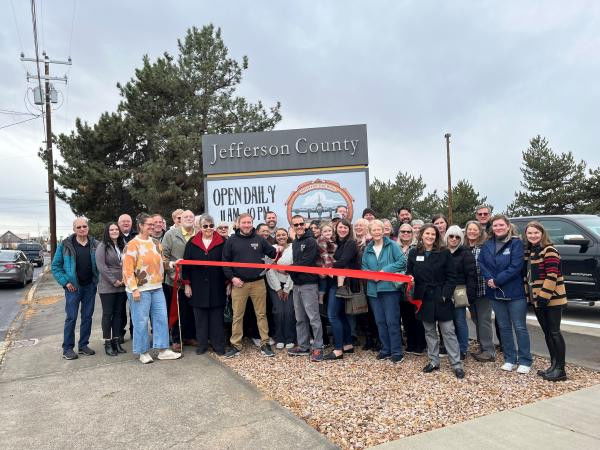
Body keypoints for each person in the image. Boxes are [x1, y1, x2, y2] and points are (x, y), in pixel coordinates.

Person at [406, 224, 464, 379]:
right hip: (423, 298)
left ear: (437, 237)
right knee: (429, 331)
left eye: (433, 234)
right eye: (427, 233)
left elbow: (452, 277)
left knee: (448, 331)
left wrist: (445, 294)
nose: (430, 236)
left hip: (441, 296)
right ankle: (434, 361)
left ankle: (456, 364)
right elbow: (409, 272)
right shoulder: (414, 253)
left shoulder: (444, 253)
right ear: (421, 235)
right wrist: (410, 278)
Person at [122, 213, 181, 364]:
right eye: (148, 224)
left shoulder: (156, 243)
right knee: (140, 321)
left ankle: (162, 350)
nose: (152, 227)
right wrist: (134, 289)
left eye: (153, 224)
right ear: (140, 226)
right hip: (139, 289)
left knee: (161, 318)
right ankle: (142, 351)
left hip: (157, 287)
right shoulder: (132, 245)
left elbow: (161, 262)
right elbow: (127, 270)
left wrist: (172, 264)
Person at [479, 214, 532, 374]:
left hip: (514, 292)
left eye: (501, 225)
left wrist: (497, 280)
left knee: (520, 327)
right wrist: (489, 278)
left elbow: (516, 266)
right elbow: (481, 262)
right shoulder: (487, 244)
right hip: (494, 292)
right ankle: (510, 358)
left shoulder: (516, 243)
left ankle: (525, 360)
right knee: (504, 327)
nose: (498, 228)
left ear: (508, 226)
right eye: (495, 226)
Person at [222, 213, 277, 358]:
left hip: (258, 283)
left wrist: (278, 249)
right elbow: (225, 262)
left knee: (261, 315)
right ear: (238, 224)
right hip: (239, 284)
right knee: (237, 316)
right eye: (244, 222)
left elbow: (272, 253)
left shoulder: (259, 239)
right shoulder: (231, 240)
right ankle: (236, 345)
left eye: (249, 222)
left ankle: (265, 343)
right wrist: (232, 278)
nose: (247, 225)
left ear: (252, 223)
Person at [524, 221, 567, 381]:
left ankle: (561, 369)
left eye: (536, 232)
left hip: (552, 300)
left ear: (542, 234)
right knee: (547, 333)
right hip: (538, 300)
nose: (533, 235)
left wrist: (544, 296)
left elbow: (552, 275)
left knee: (555, 332)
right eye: (530, 233)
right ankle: (553, 365)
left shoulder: (549, 250)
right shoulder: (531, 252)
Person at [52, 217, 99, 360]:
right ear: (74, 229)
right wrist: (66, 282)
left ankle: (83, 345)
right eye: (78, 227)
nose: (82, 229)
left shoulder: (95, 244)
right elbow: (55, 266)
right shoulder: (65, 245)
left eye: (84, 226)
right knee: (71, 318)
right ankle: (67, 348)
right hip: (73, 289)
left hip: (90, 287)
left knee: (87, 317)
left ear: (88, 228)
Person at [362, 220, 407, 363]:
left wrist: (384, 271)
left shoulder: (392, 245)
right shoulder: (367, 249)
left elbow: (402, 261)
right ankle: (386, 349)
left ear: (383, 231)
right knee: (380, 321)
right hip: (373, 290)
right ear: (370, 232)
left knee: (392, 321)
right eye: (373, 230)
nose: (376, 232)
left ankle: (396, 351)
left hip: (389, 289)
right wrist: (371, 275)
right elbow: (363, 268)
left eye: (378, 229)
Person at [182, 214, 227, 356]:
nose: (208, 229)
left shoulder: (223, 241)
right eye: (205, 226)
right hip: (198, 286)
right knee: (200, 319)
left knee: (217, 319)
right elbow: (186, 266)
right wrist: (187, 284)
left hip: (217, 286)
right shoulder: (192, 242)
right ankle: (202, 345)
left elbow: (227, 265)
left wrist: (229, 284)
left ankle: (218, 345)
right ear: (199, 227)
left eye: (211, 225)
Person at [287, 215, 324, 362]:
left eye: (301, 224)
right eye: (296, 225)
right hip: (297, 285)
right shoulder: (295, 242)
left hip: (309, 285)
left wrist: (286, 269)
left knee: (313, 318)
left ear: (305, 225)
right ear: (293, 227)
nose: (299, 226)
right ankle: (303, 346)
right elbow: (297, 263)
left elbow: (305, 262)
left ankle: (318, 347)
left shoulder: (310, 241)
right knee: (300, 318)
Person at [162, 209, 198, 352]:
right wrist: (171, 273)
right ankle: (176, 339)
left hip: (194, 280)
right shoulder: (171, 234)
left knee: (191, 310)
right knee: (176, 310)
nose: (189, 218)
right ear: (180, 220)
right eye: (185, 217)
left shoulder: (199, 233)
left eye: (191, 216)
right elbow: (163, 255)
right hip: (175, 280)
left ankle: (189, 336)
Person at [324, 219, 357, 360]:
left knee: (332, 315)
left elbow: (343, 261)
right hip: (338, 282)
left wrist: (328, 267)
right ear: (336, 228)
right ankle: (348, 344)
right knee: (341, 315)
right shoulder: (339, 243)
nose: (342, 230)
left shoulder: (350, 243)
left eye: (345, 227)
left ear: (349, 230)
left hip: (341, 284)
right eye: (340, 227)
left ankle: (338, 350)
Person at [464, 220, 496, 362]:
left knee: (484, 320)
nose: (472, 232)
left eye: (475, 229)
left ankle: (489, 351)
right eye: (469, 229)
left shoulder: (485, 247)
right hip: (469, 290)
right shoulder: (464, 247)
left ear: (480, 231)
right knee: (476, 318)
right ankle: (482, 346)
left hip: (483, 288)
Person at [444, 225, 477, 360]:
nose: (454, 239)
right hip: (445, 289)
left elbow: (471, 275)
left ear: (461, 239)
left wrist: (469, 294)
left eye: (457, 237)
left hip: (460, 290)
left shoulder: (465, 253)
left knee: (460, 321)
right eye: (451, 236)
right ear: (447, 237)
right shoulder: (442, 252)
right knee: (447, 321)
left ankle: (462, 348)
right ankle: (450, 347)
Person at [95, 223, 127, 356]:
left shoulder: (122, 244)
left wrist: (125, 279)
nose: (114, 231)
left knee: (119, 314)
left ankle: (116, 341)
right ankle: (108, 343)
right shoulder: (102, 246)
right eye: (111, 229)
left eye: (116, 229)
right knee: (108, 315)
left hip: (122, 286)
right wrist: (114, 281)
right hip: (108, 286)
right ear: (107, 232)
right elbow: (101, 267)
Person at [397, 223, 426, 354]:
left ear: (413, 233)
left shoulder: (419, 247)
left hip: (416, 286)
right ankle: (411, 342)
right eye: (403, 231)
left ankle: (420, 344)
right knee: (406, 316)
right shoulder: (395, 247)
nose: (406, 234)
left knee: (417, 316)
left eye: (408, 231)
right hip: (399, 287)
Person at [266, 228, 296, 350]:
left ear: (287, 235)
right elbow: (269, 269)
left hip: (290, 284)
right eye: (278, 235)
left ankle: (290, 338)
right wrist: (278, 288)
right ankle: (279, 338)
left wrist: (287, 289)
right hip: (275, 286)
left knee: (289, 311)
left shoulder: (293, 248)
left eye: (283, 234)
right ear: (275, 237)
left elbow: (294, 269)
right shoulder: (271, 248)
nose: (281, 237)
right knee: (278, 311)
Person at [316, 221, 337, 304]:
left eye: (329, 231)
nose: (328, 233)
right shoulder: (321, 240)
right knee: (323, 281)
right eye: (325, 231)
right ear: (321, 233)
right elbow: (324, 254)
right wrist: (330, 268)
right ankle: (320, 298)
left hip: (330, 264)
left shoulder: (332, 240)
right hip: (322, 264)